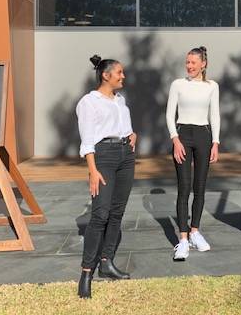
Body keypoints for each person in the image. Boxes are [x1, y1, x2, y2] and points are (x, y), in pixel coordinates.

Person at [76, 55, 137, 299]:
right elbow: (87, 139)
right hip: (103, 157)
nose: (123, 76)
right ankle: (86, 273)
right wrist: (92, 170)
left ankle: (107, 262)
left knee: (117, 212)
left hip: (126, 157)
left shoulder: (121, 101)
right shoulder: (89, 102)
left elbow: (126, 129)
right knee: (99, 214)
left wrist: (133, 136)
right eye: (119, 72)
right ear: (106, 75)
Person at [166, 46, 220, 261]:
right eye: (187, 62)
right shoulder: (177, 85)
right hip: (182, 136)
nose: (189, 66)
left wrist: (215, 142)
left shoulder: (212, 86)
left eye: (193, 63)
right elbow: (170, 115)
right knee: (184, 188)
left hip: (204, 137)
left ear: (203, 64)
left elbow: (214, 115)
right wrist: (175, 139)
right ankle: (183, 239)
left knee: (200, 187)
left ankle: (195, 231)